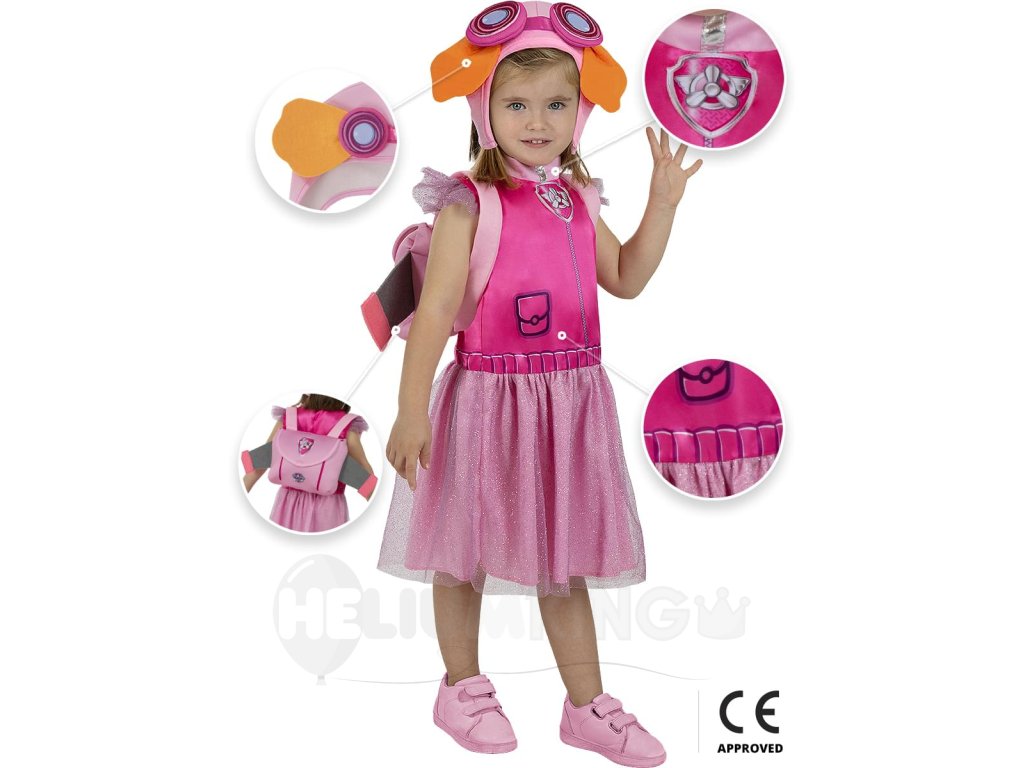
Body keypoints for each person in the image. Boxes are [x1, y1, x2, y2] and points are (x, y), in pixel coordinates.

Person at [377, 4, 701, 765]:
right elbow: (434, 315)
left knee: (567, 561)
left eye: (557, 104)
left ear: (580, 112)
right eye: (517, 105)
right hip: (486, 401)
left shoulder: (578, 198)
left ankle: (586, 708)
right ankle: (460, 689)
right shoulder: (468, 202)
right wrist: (410, 411)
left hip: (569, 405)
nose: (538, 121)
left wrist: (661, 204)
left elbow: (625, 278)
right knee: (460, 552)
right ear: (483, 111)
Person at [244, 393, 374, 532]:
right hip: (327, 509)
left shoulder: (289, 419)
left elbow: (260, 462)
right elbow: (368, 483)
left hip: (287, 505)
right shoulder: (345, 428)